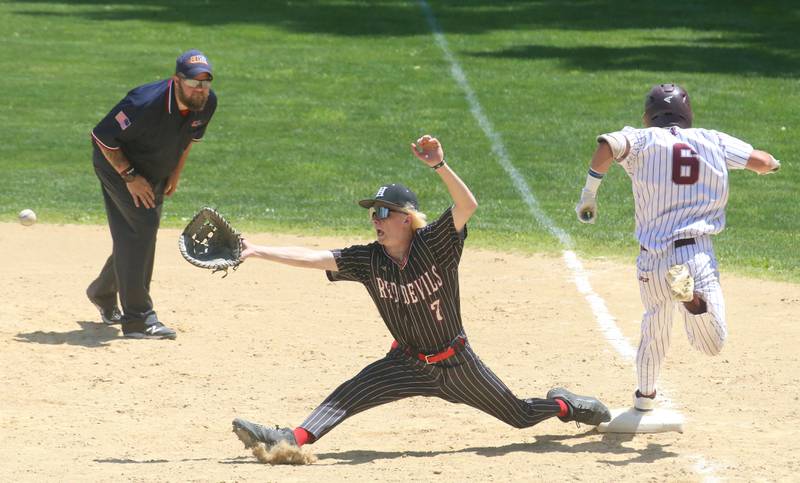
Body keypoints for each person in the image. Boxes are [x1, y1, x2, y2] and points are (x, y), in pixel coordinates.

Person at [231, 135, 611, 454]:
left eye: (383, 211)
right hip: (408, 365)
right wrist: (257, 249)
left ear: (406, 218)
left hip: (457, 364)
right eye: (373, 212)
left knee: (519, 416)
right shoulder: (368, 259)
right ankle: (289, 439)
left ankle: (564, 404)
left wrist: (439, 166)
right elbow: (315, 257)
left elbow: (468, 206)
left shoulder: (435, 244)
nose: (375, 218)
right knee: (349, 393)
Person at [574, 83, 781, 411]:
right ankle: (692, 301)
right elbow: (762, 160)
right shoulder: (712, 139)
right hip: (693, 255)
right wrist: (772, 164)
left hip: (651, 259)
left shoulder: (642, 140)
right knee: (710, 344)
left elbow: (608, 145)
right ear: (688, 115)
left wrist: (589, 195)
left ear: (647, 116)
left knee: (654, 325)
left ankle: (644, 398)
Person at [86, 49, 218, 340]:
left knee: (139, 233)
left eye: (206, 83)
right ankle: (138, 319)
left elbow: (189, 139)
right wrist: (130, 177)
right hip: (119, 168)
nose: (201, 89)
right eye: (194, 83)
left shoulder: (206, 103)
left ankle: (103, 292)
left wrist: (175, 173)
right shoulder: (143, 103)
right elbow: (101, 137)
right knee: (140, 231)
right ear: (177, 80)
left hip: (156, 169)